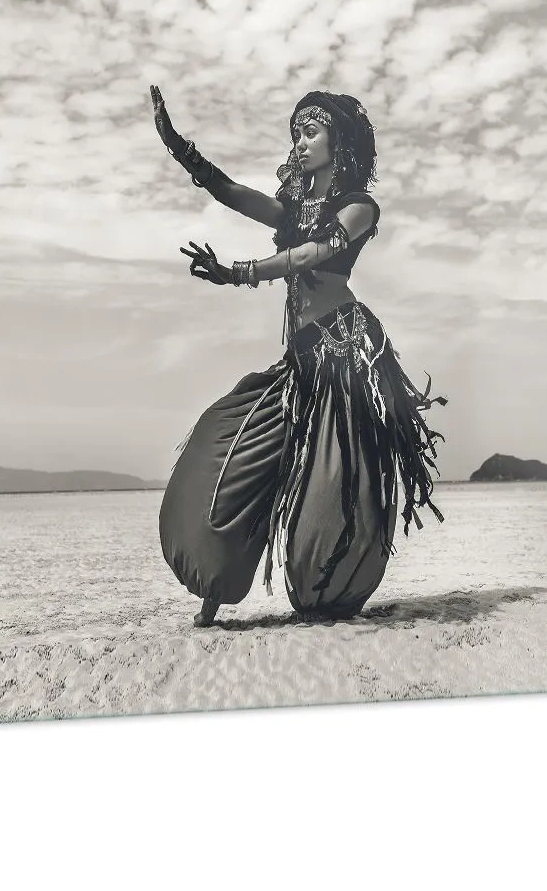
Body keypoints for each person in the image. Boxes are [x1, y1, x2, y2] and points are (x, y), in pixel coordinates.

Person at [151, 85, 448, 627]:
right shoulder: (294, 209)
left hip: (345, 355)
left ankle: (331, 591)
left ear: (339, 143)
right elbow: (233, 193)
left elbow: (313, 253)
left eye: (311, 132)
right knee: (229, 440)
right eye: (297, 134)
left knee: (334, 483)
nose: (301, 143)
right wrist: (179, 148)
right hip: (301, 361)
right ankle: (213, 590)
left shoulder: (359, 208)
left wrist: (238, 272)